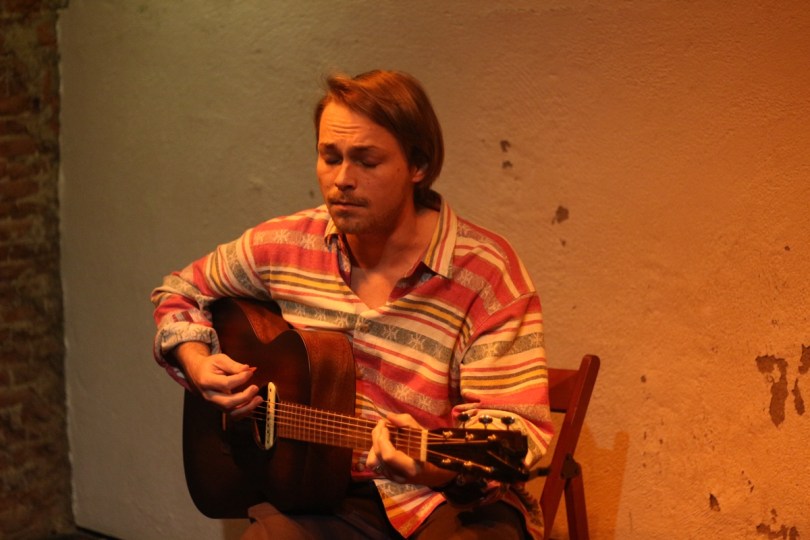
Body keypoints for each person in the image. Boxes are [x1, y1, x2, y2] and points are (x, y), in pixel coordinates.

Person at [151, 69, 553, 539]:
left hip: (444, 500)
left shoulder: (485, 272)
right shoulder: (286, 244)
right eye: (330, 157)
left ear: (418, 165)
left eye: (367, 161)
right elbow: (180, 290)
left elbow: (508, 430)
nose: (342, 180)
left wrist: (433, 469)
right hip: (318, 493)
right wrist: (197, 362)